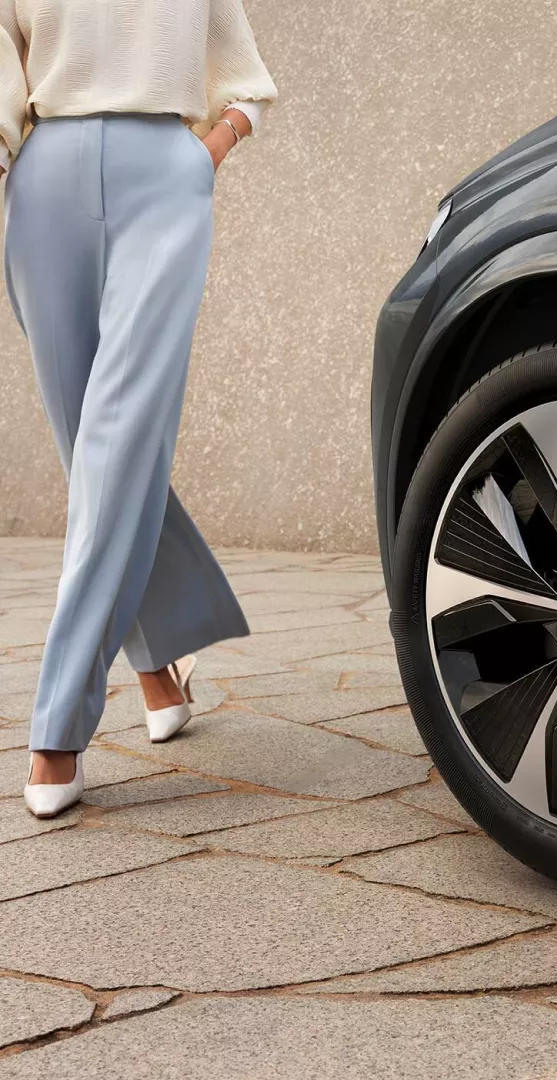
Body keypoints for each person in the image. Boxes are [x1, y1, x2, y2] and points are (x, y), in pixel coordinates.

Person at [0, 0, 277, 818]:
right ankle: (160, 671)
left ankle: (58, 725)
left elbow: (247, 76)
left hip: (166, 174)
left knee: (117, 440)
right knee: (91, 443)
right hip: (44, 179)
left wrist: (211, 148)